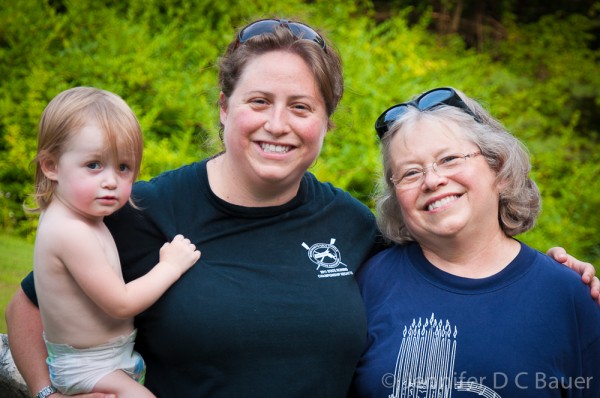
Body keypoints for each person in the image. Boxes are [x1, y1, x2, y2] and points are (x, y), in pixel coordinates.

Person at [5, 20, 598, 398]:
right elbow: (31, 304)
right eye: (259, 100)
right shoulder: (146, 208)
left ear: (326, 125)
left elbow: (456, 254)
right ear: (223, 107)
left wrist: (558, 280)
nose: (277, 125)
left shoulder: (353, 226)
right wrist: (45, 393)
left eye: (301, 107)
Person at [350, 87, 600, 397]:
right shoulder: (368, 283)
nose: (432, 181)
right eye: (410, 173)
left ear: (500, 170)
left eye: (450, 159)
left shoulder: (569, 295)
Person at [27, 87, 200, 397]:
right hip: (87, 366)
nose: (111, 181)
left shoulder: (82, 217)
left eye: (123, 167)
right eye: (94, 165)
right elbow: (121, 303)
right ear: (51, 165)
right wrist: (170, 266)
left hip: (105, 359)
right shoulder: (70, 231)